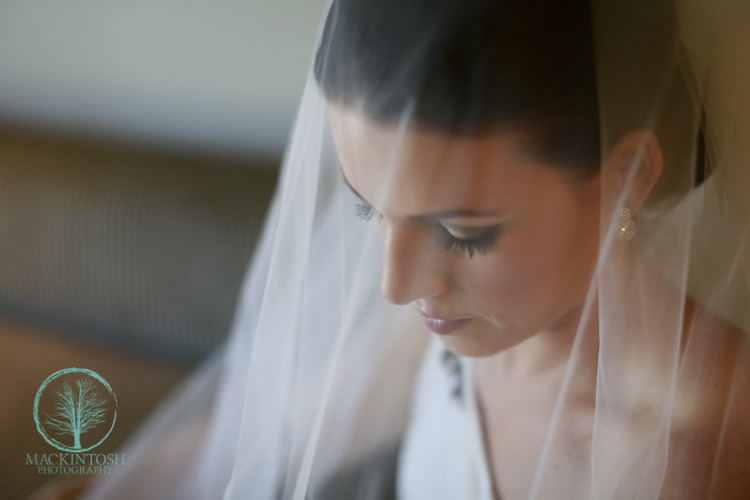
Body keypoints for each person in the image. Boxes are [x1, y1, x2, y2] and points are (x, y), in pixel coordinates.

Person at [79, 0, 750, 498]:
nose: (394, 286)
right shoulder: (448, 323)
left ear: (627, 177)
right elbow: (265, 439)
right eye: (368, 206)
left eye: (463, 232)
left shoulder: (697, 456)